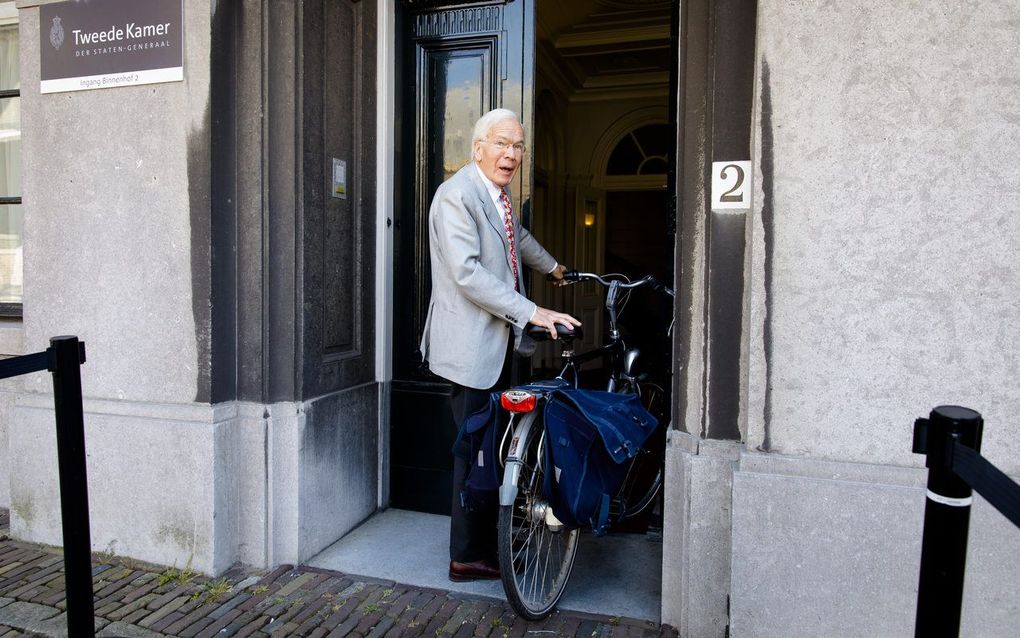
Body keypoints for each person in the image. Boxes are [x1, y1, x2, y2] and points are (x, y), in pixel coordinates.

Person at [420, 108, 581, 582]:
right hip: (469, 350)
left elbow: (517, 240)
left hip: (500, 348)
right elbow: (468, 272)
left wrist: (555, 269)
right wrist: (534, 311)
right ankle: (466, 555)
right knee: (474, 453)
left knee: (499, 448)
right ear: (478, 148)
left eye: (518, 146)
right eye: (501, 144)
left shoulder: (498, 197)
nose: (511, 155)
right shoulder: (455, 196)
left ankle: (492, 541)